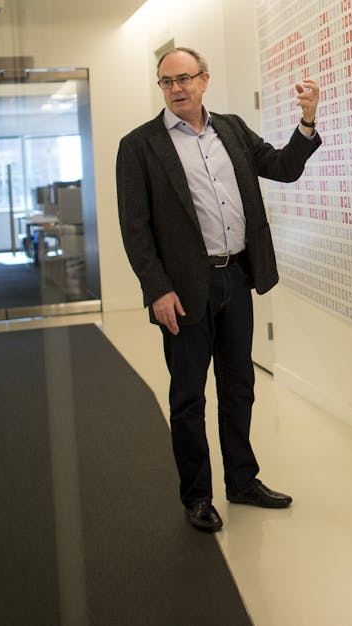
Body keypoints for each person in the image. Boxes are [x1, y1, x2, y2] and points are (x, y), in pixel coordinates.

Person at [116, 46, 321, 532]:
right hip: (184, 291)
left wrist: (306, 122)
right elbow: (136, 229)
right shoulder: (139, 145)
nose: (177, 89)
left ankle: (242, 481)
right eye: (167, 82)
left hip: (236, 277)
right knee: (189, 396)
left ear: (204, 79)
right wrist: (156, 289)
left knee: (239, 387)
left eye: (185, 78)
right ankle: (197, 496)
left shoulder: (230, 129)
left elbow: (283, 166)